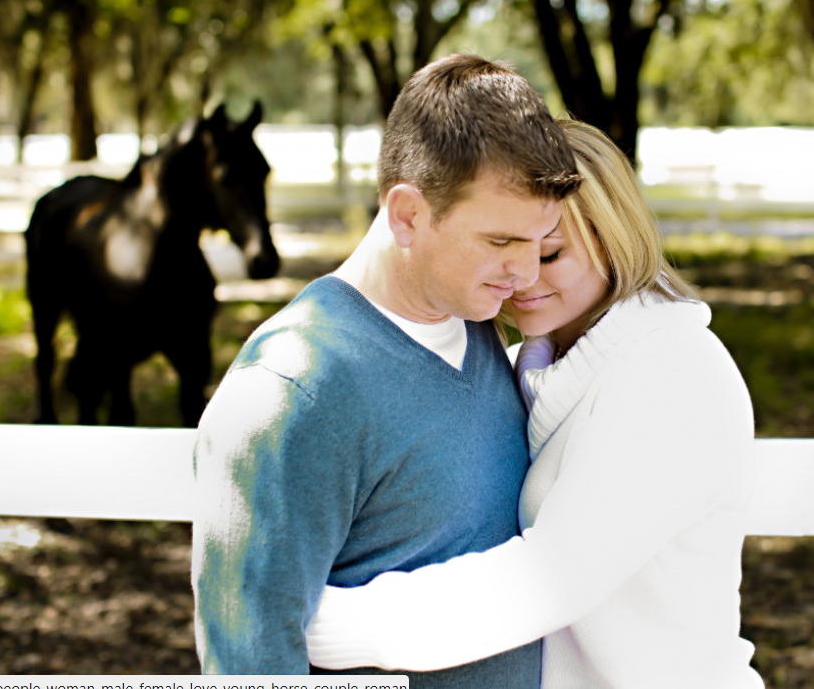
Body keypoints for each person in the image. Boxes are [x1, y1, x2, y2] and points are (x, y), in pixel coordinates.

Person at [305, 119, 765, 688]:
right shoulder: (531, 365)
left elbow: (548, 581)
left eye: (549, 254)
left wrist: (312, 618)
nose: (522, 276)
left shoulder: (671, 370)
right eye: (505, 246)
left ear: (614, 241)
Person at [190, 54, 581, 685]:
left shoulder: (478, 321)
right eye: (502, 242)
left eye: (541, 242)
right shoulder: (292, 391)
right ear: (407, 215)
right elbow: (251, 657)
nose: (527, 274)